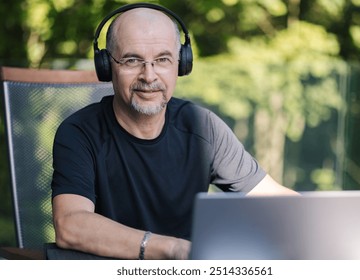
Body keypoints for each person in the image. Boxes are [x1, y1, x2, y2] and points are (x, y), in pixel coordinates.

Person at [51, 3, 296, 260]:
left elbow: (274, 199)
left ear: (182, 64)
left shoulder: (202, 127)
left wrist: (324, 223)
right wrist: (171, 248)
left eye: (162, 60)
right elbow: (71, 225)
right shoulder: (78, 133)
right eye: (133, 60)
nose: (149, 75)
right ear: (107, 66)